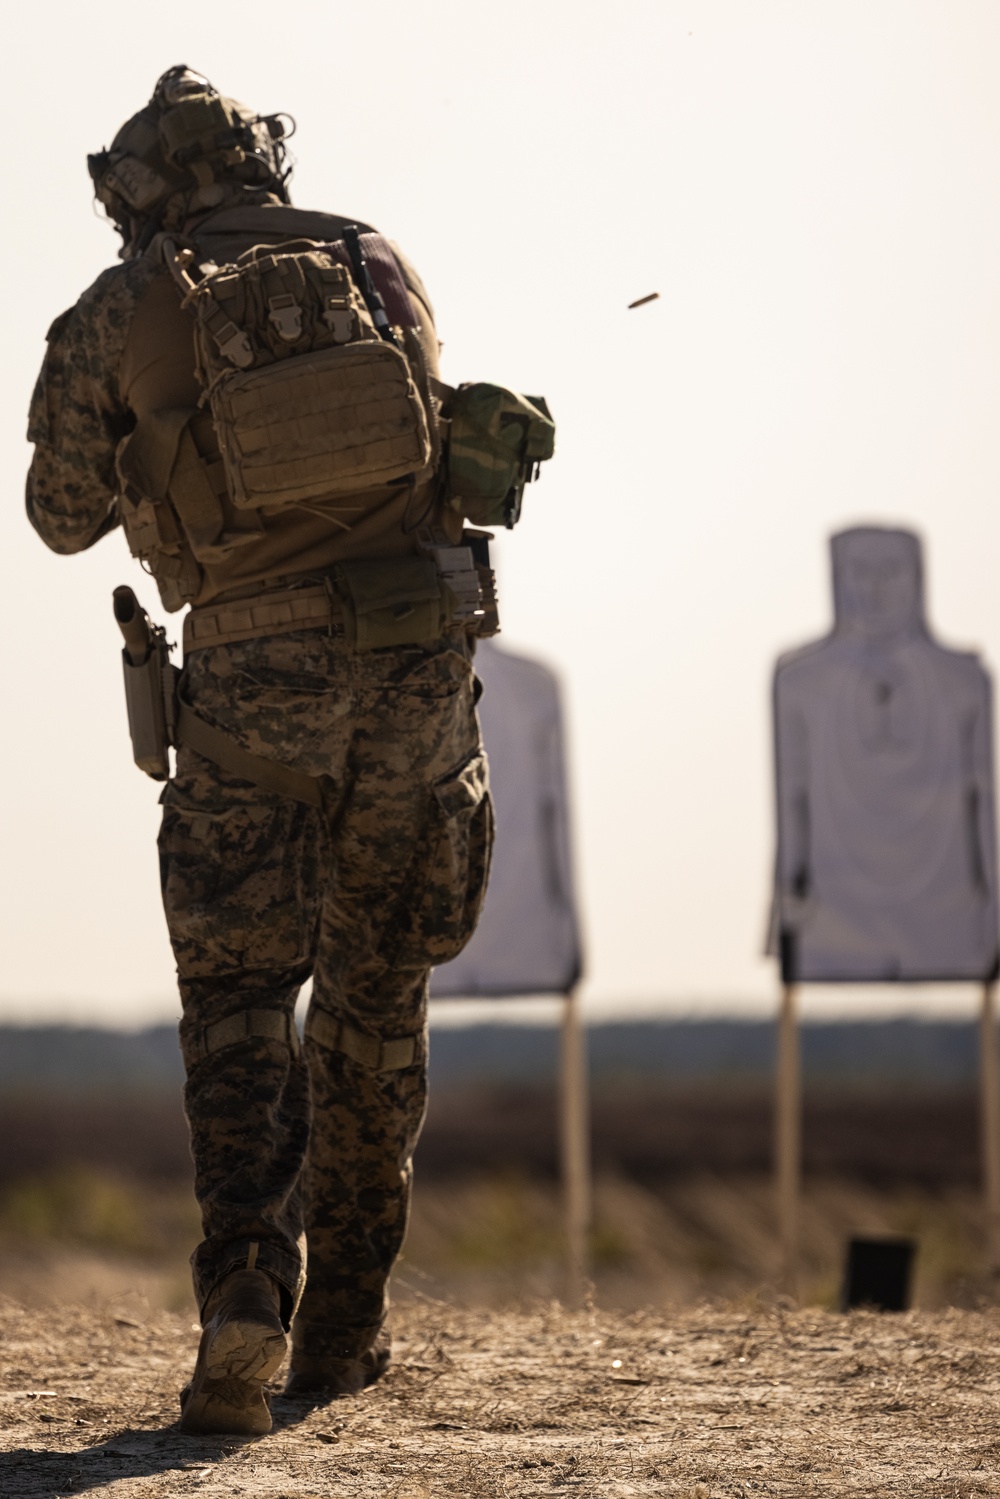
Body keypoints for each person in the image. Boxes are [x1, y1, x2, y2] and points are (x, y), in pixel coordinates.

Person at [25, 66, 496, 1436]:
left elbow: (58, 513)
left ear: (146, 187)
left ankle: (247, 1290)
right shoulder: (373, 259)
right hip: (419, 675)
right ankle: (344, 1337)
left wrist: (155, 451)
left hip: (247, 696)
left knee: (239, 1004)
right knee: (378, 1004)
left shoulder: (124, 305)